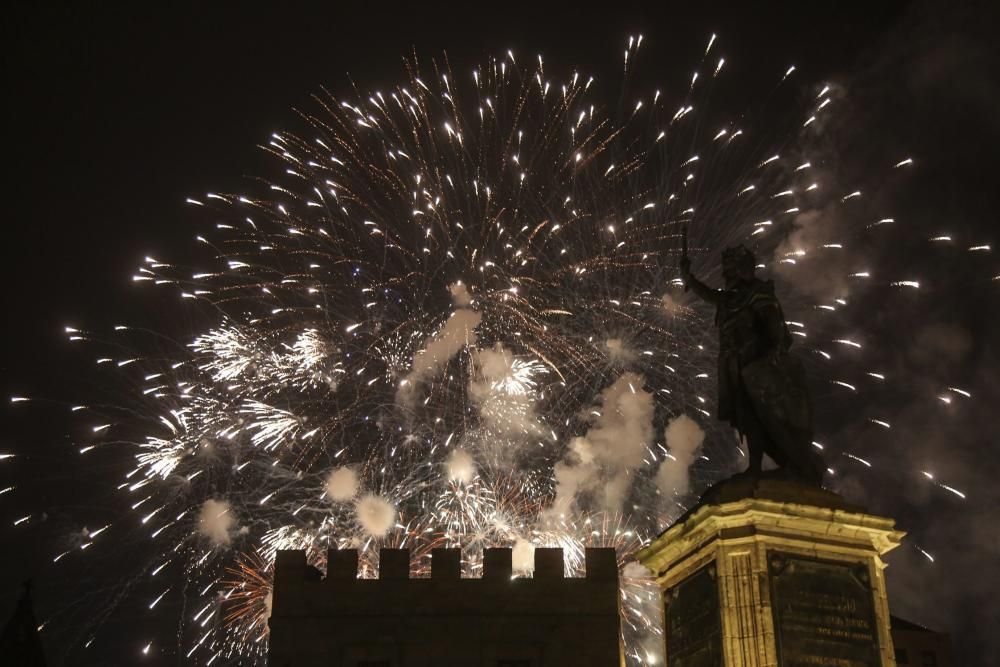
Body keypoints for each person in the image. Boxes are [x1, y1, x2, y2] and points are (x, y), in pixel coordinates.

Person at [680, 245, 824, 485]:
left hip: (756, 363)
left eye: (731, 267)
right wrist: (689, 278)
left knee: (765, 413)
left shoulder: (757, 291)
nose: (727, 273)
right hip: (735, 365)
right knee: (747, 417)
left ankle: (793, 462)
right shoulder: (730, 298)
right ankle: (754, 466)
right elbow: (708, 295)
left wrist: (775, 351)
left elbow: (774, 323)